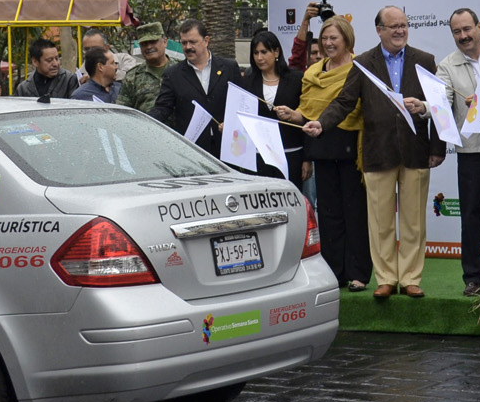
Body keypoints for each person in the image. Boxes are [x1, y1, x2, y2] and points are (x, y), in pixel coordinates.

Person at [302, 6, 444, 299]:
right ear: (379, 30)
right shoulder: (364, 63)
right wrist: (322, 124)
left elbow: (439, 106)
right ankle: (386, 278)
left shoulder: (425, 61)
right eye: (392, 26)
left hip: (416, 151)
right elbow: (344, 102)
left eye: (403, 25)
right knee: (380, 222)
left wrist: (438, 146)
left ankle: (411, 278)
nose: (399, 31)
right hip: (377, 152)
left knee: (413, 221)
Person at [280, 15, 368, 290]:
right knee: (328, 213)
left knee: (355, 211)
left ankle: (358, 273)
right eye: (325, 39)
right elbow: (308, 110)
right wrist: (293, 115)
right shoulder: (312, 73)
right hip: (321, 145)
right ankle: (334, 271)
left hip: (351, 144)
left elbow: (352, 107)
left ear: (347, 40)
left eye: (334, 39)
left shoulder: (359, 69)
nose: (329, 44)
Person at [438, 8, 480, 295]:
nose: (463, 36)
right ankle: (474, 278)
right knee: (472, 215)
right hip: (471, 152)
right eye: (457, 31)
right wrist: (426, 109)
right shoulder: (447, 66)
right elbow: (441, 104)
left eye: (468, 29)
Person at [152, 20, 241, 155]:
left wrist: (232, 123)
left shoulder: (229, 68)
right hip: (193, 152)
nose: (188, 47)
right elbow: (162, 108)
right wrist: (144, 122)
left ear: (206, 40)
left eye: (193, 42)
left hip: (228, 147)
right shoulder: (173, 74)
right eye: (184, 43)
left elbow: (242, 104)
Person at [239, 30, 304, 184]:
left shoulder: (296, 78)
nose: (259, 58)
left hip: (291, 153)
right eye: (256, 53)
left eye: (264, 52)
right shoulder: (247, 80)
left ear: (276, 52)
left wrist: (307, 159)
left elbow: (307, 116)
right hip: (258, 156)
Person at [119, 23, 173, 114]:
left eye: (153, 42)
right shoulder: (133, 76)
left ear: (165, 42)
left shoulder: (181, 69)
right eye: (144, 44)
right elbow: (123, 111)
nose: (148, 47)